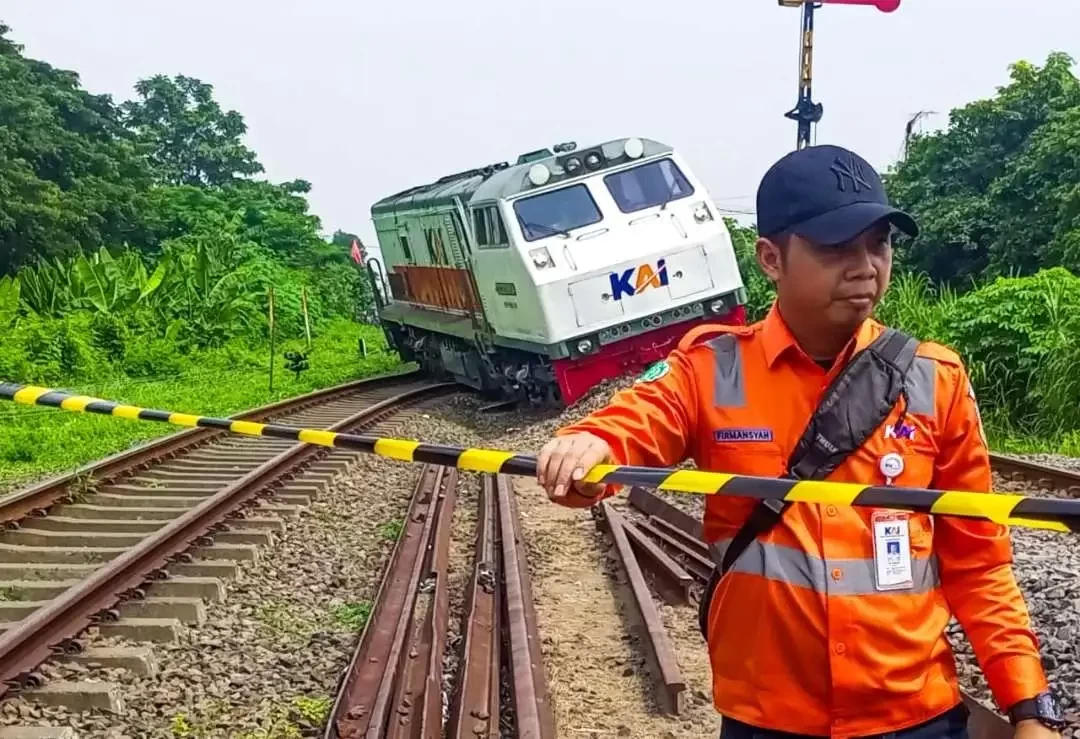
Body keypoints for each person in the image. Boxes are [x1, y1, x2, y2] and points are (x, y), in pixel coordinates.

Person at [535, 145, 1066, 739]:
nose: (866, 266)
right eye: (837, 247)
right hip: (767, 721)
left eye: (880, 243)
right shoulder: (711, 370)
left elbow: (979, 562)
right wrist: (587, 447)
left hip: (915, 719)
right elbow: (635, 420)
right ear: (771, 258)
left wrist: (1029, 706)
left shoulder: (933, 381)